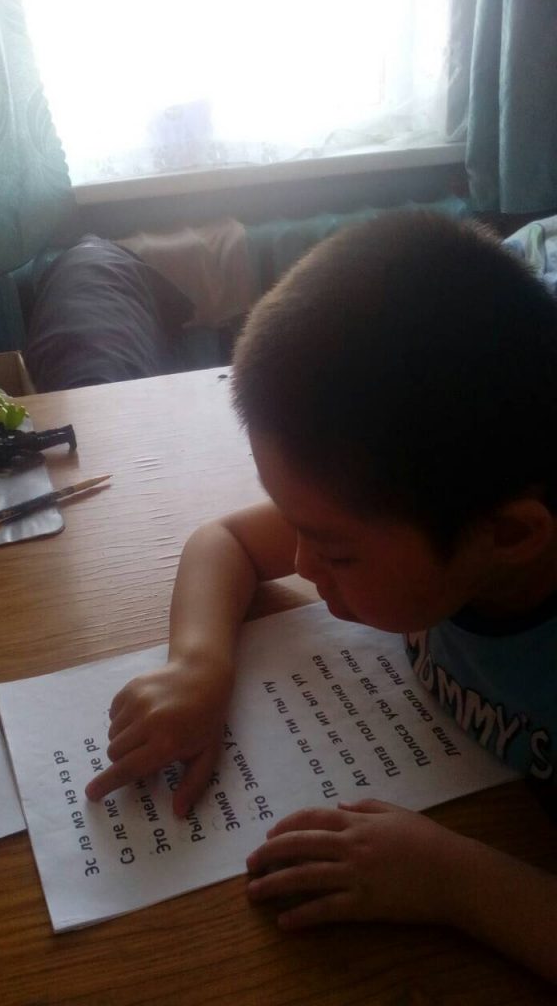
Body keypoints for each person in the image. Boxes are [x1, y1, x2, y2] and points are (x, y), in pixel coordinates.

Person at [86, 212, 557, 982]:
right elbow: (227, 539)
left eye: (335, 552)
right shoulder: (434, 496)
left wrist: (455, 882)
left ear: (509, 536)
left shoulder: (455, 494)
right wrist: (198, 665)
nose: (302, 563)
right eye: (300, 530)